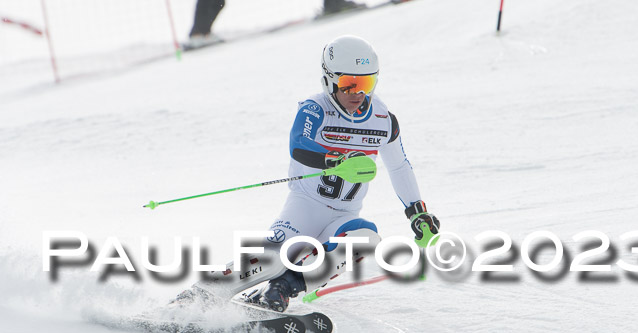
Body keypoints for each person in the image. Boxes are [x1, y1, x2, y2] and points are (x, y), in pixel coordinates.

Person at [173, 35, 440, 312]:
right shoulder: (315, 109)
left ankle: (280, 289)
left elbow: (399, 166)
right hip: (305, 207)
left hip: (344, 215)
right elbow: (299, 145)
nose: (357, 93)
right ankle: (198, 296)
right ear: (329, 79)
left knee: (365, 240)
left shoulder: (383, 120)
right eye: (349, 83)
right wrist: (335, 159)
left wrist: (417, 211)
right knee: (270, 261)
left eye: (366, 83)